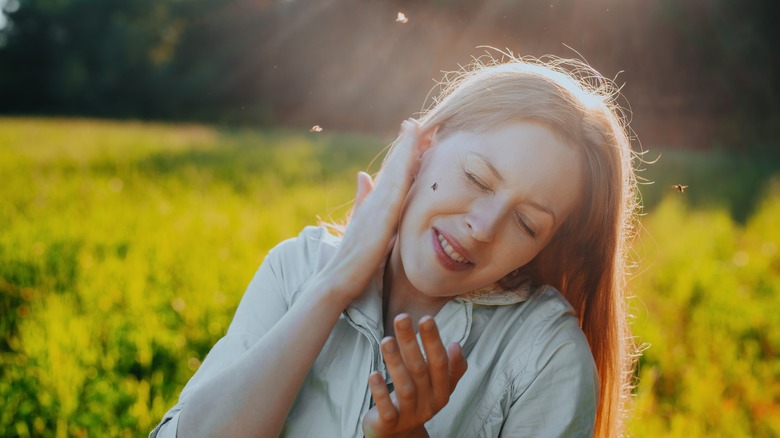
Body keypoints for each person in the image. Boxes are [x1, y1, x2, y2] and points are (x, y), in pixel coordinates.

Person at [151, 54, 640, 438]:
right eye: (476, 177)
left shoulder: (544, 355)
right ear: (424, 145)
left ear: (545, 247)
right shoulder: (296, 267)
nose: (482, 227)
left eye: (527, 224)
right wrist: (333, 285)